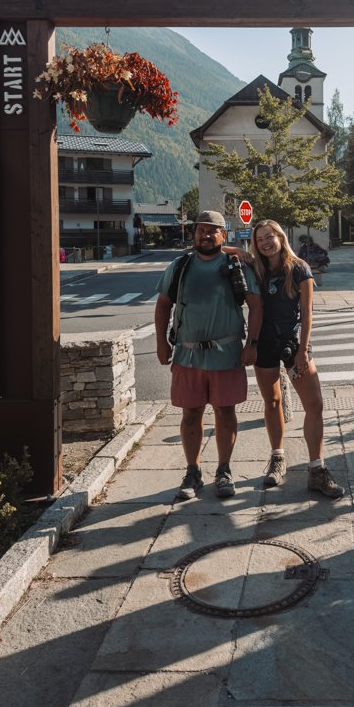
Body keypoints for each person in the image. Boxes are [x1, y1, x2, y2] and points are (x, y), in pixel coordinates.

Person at [154, 210, 262, 500]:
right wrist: (161, 343)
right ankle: (193, 472)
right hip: (187, 355)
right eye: (201, 230)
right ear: (194, 234)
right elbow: (163, 304)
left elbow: (256, 305)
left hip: (226, 353)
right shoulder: (180, 266)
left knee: (226, 412)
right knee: (190, 415)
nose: (206, 234)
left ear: (222, 235)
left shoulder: (235, 266)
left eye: (212, 230)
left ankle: (224, 470)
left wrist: (252, 342)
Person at [251, 219, 345, 498]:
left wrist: (303, 350)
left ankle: (317, 469)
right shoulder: (255, 269)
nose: (266, 242)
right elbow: (228, 251)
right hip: (264, 344)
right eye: (259, 239)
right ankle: (278, 459)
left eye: (270, 236)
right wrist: (239, 250)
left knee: (314, 404)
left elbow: (307, 313)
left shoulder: (299, 268)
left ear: (281, 237)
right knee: (272, 401)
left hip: (293, 344)